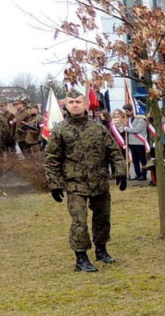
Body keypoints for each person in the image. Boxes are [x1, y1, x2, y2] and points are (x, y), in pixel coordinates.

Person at [44, 88, 127, 272]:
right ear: (66, 104)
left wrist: (120, 171)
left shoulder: (98, 128)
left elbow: (114, 151)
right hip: (75, 185)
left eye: (78, 102)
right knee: (79, 222)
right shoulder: (60, 130)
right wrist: (54, 184)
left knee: (102, 218)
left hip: (99, 182)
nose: (75, 105)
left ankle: (101, 249)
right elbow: (51, 159)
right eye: (71, 102)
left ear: (85, 104)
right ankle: (81, 257)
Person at [122, 103, 148, 180]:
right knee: (135, 160)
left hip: (139, 142)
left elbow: (137, 130)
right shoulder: (129, 119)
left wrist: (126, 129)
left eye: (127, 111)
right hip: (132, 142)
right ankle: (137, 174)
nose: (126, 113)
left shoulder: (141, 118)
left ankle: (144, 174)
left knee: (142, 160)